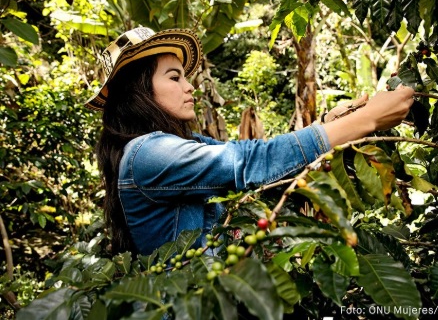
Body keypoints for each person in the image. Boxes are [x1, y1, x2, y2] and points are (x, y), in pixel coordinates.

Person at [87, 27, 414, 256]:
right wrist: (367, 120)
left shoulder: (181, 145)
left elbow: (265, 161)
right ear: (139, 92)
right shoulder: (146, 153)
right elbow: (246, 163)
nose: (189, 87)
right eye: (175, 77)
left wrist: (328, 123)